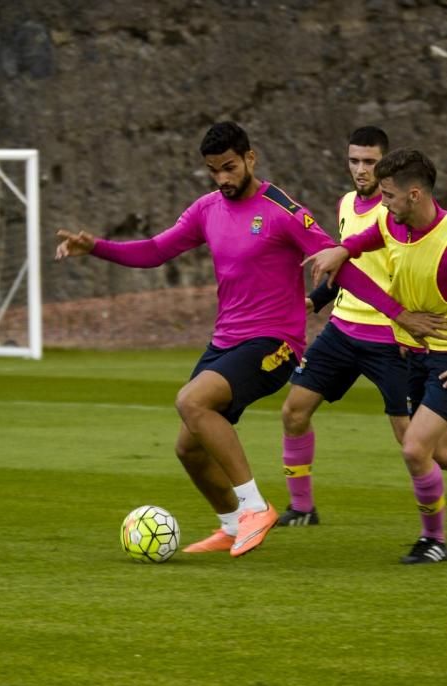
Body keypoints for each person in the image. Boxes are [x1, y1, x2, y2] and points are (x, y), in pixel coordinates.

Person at [55, 123, 445, 559]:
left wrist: (399, 314)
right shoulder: (206, 209)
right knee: (188, 447)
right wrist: (98, 247)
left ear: (250, 159)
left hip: (274, 342)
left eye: (229, 167)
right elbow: (155, 250)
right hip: (225, 341)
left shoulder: (283, 210)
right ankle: (230, 523)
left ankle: (255, 508)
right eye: (213, 170)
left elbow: (341, 268)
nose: (222, 178)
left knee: (191, 401)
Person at [303, 147, 447, 564]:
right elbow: (370, 237)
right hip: (414, 357)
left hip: (443, 362)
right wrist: (343, 250)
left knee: (415, 449)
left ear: (415, 195)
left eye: (388, 195)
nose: (381, 204)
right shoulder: (392, 223)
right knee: (438, 453)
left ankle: (434, 539)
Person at [278, 126, 411, 528]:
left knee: (414, 442)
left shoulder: (400, 214)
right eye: (354, 160)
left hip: (391, 339)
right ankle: (302, 508)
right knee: (294, 411)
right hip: (342, 331)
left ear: (385, 164)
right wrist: (313, 301)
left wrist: (410, 330)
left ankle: (434, 531)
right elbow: (344, 267)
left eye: (369, 162)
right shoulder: (346, 204)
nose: (360, 169)